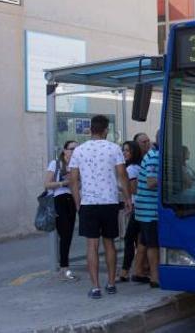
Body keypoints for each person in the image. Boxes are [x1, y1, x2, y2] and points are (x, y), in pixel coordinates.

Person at [69, 115, 132, 300]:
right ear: (106, 130)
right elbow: (122, 175)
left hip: (88, 203)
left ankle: (95, 287)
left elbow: (73, 180)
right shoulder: (113, 148)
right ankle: (111, 283)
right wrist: (128, 198)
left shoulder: (79, 150)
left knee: (91, 245)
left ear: (90, 130)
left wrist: (77, 202)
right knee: (109, 243)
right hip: (110, 202)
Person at [43, 140, 79, 282]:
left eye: (77, 149)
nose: (74, 151)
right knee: (64, 235)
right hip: (59, 200)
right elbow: (46, 184)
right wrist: (63, 183)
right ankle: (64, 268)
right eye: (72, 149)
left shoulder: (78, 165)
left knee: (68, 235)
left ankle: (65, 267)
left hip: (72, 199)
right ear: (64, 150)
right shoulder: (56, 164)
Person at [135, 131, 161, 288]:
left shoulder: (152, 154)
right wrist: (168, 178)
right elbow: (151, 182)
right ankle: (155, 277)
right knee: (153, 244)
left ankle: (137, 271)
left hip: (144, 209)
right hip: (150, 210)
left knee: (143, 242)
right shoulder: (155, 157)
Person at [118, 141, 145, 283]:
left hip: (135, 206)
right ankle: (136, 270)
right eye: (123, 150)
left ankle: (125, 272)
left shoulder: (131, 169)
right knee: (139, 239)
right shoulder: (136, 167)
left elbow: (134, 189)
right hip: (139, 205)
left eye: (127, 150)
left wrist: (121, 188)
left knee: (129, 239)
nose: (125, 153)